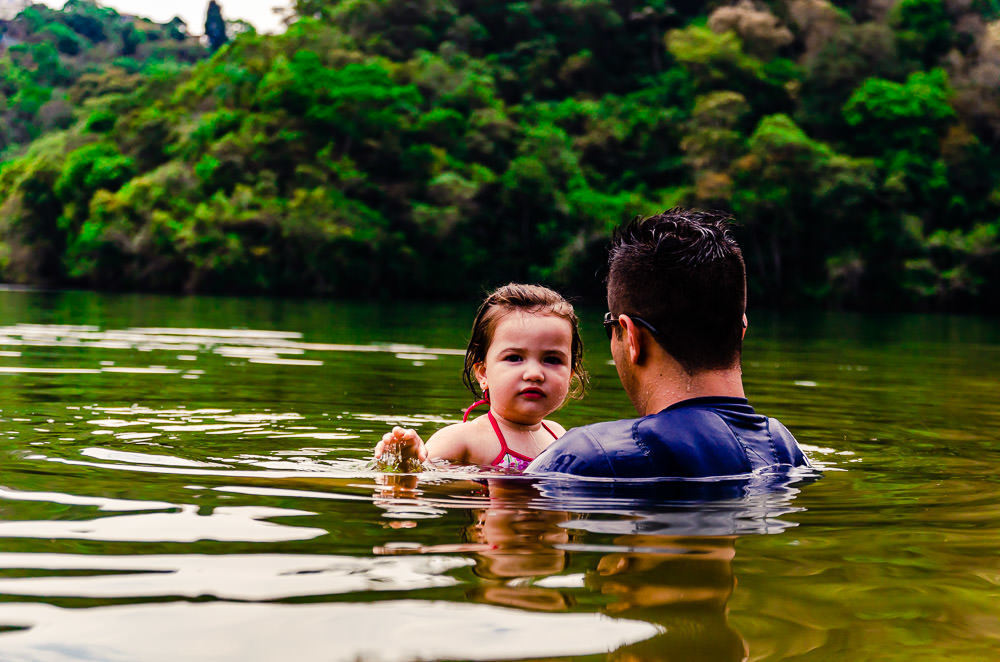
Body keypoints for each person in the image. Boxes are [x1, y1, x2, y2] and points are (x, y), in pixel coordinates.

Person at [525, 208, 809, 478]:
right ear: (742, 330)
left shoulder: (586, 455)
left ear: (632, 337)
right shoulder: (784, 449)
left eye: (610, 327)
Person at [374, 283, 588, 471]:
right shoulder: (463, 439)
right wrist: (406, 462)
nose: (534, 374)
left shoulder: (560, 437)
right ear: (483, 373)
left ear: (570, 375)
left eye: (552, 360)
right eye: (514, 358)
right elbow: (421, 483)